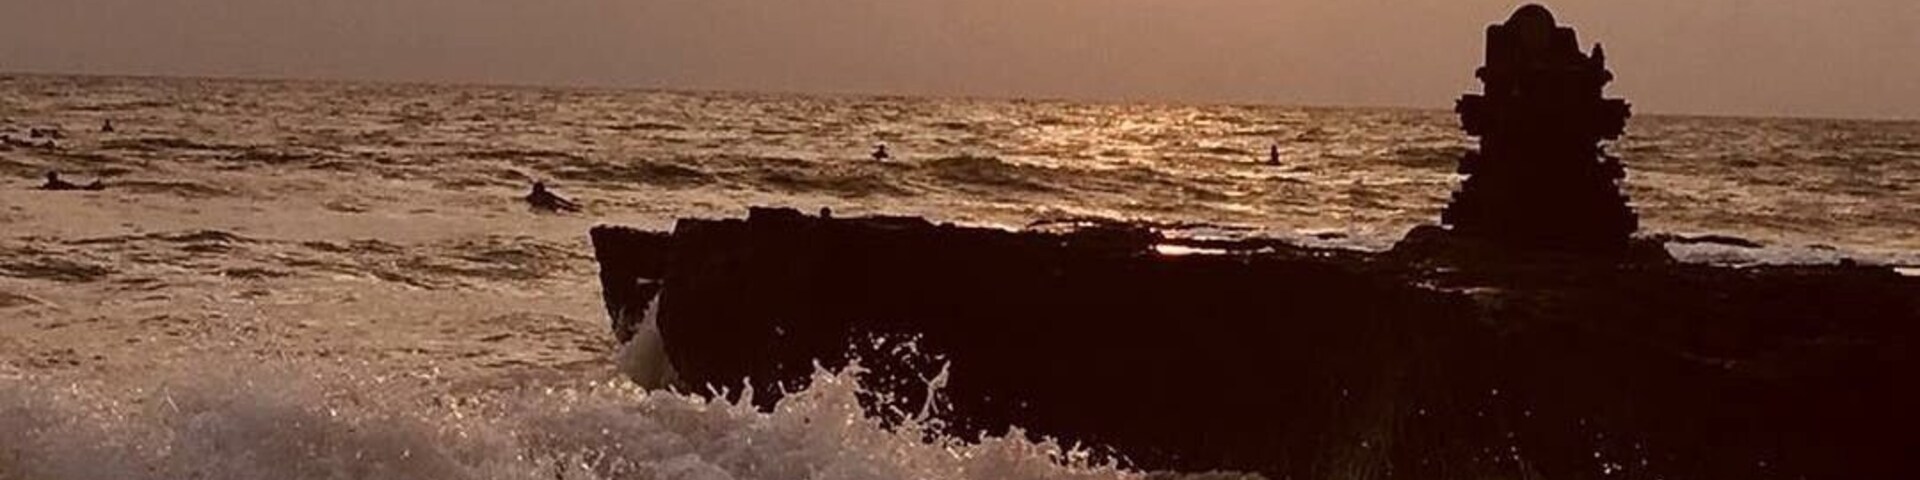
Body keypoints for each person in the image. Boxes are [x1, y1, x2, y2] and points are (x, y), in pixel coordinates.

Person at [39, 171, 103, 191]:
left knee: (82, 188)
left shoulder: (49, 185)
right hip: (69, 187)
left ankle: (94, 186)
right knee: (82, 188)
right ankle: (94, 186)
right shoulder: (51, 185)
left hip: (69, 187)